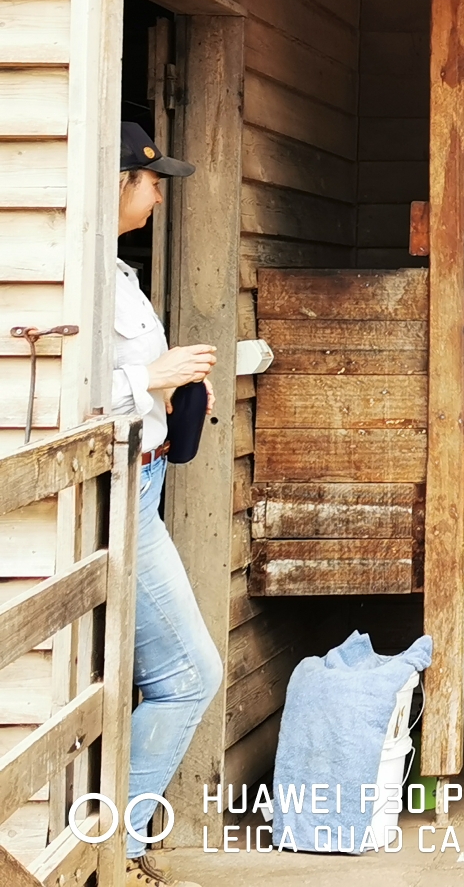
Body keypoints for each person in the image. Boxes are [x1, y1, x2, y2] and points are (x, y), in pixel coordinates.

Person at [112, 123, 225, 887]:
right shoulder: (69, 276)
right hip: (120, 489)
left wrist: (177, 389)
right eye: (153, 182)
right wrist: (150, 379)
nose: (158, 194)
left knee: (164, 673)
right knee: (190, 674)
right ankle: (113, 845)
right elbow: (70, 392)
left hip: (144, 481)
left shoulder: (116, 274)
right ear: (121, 180)